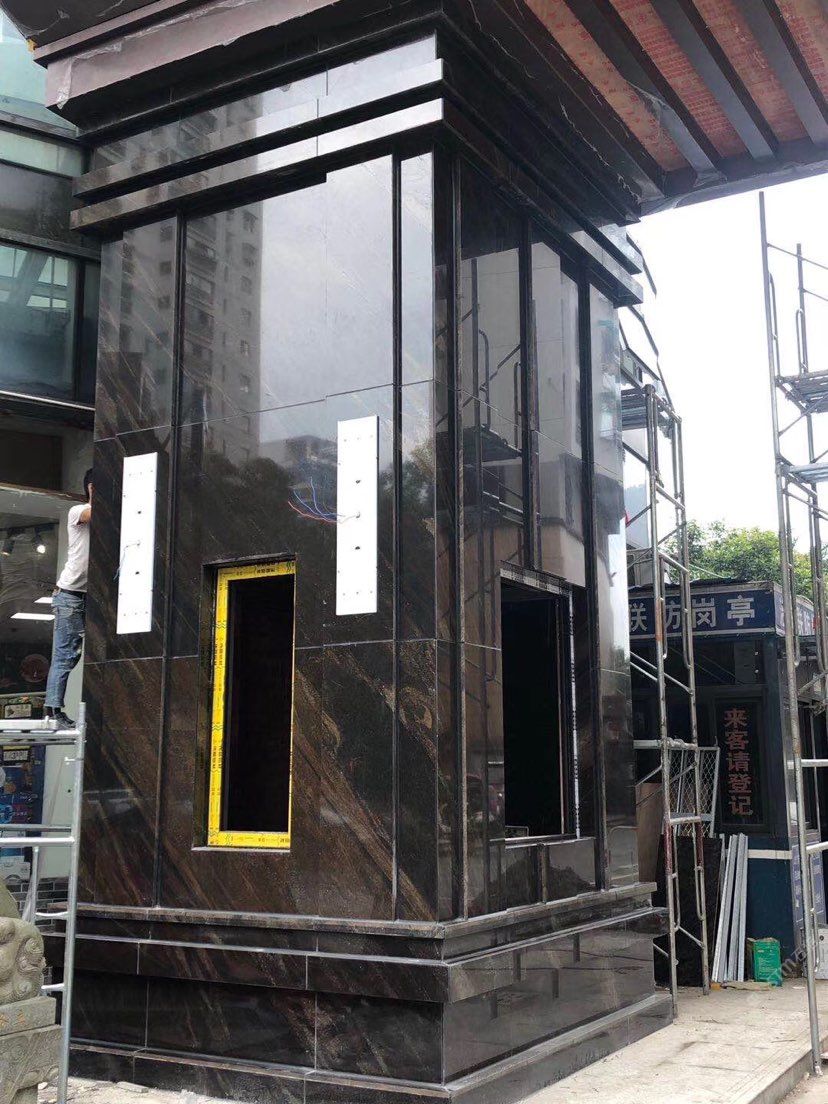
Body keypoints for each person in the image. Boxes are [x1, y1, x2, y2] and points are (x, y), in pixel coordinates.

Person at [43, 469, 92, 729]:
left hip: (89, 595)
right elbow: (94, 513)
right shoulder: (78, 511)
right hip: (70, 595)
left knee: (74, 655)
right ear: (92, 487)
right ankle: (52, 711)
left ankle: (54, 709)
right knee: (65, 655)